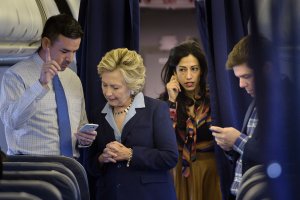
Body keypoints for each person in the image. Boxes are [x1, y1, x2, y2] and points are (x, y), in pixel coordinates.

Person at [87, 48, 178, 200]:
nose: (108, 92)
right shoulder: (96, 114)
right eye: (104, 85)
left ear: (132, 85)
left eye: (115, 87)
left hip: (150, 195)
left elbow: (170, 157)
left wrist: (130, 154)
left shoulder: (156, 109)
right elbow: (90, 165)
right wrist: (102, 158)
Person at [0, 14, 96, 158]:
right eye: (64, 51)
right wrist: (40, 85)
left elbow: (81, 123)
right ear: (46, 43)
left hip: (68, 169)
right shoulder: (16, 75)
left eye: (74, 51)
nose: (70, 59)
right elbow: (12, 122)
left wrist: (84, 139)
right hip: (30, 166)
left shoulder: (73, 79)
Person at [209, 35, 272, 196]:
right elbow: (251, 154)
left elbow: (283, 158)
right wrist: (230, 146)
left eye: (246, 76)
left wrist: (237, 140)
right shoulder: (256, 101)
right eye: (238, 78)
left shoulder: (289, 101)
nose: (241, 84)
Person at [160, 40, 222, 200]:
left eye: (194, 69)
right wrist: (172, 101)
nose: (189, 76)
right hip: (179, 171)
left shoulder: (214, 100)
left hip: (211, 169)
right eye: (182, 69)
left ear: (201, 71)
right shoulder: (164, 103)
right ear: (174, 72)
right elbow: (164, 139)